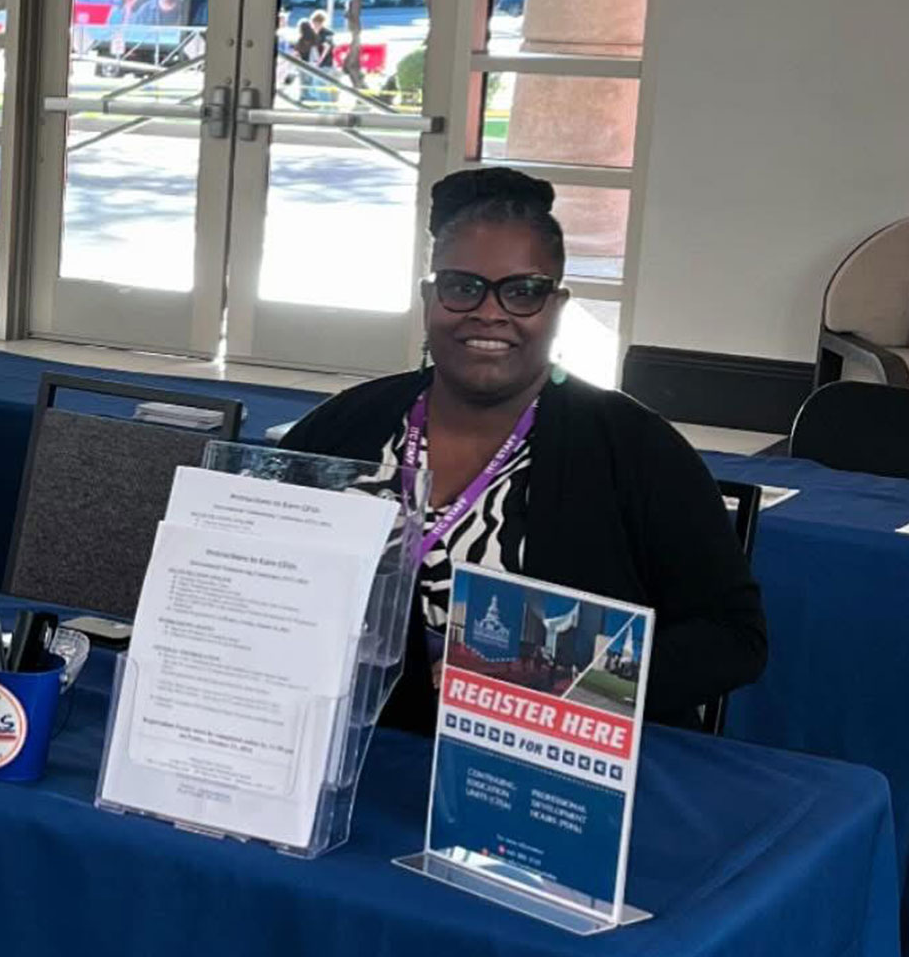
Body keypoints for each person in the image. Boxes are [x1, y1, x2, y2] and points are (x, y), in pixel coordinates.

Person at [279, 168, 767, 733]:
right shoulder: (345, 426)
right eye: (462, 286)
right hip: (354, 752)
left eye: (524, 291)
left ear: (557, 306)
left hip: (548, 777)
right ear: (428, 298)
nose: (490, 313)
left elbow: (734, 637)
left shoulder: (634, 448)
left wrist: (544, 681)